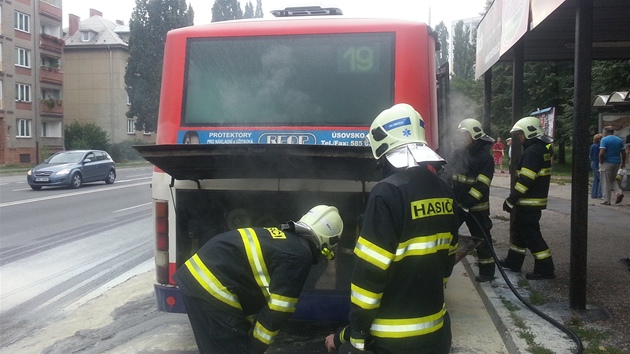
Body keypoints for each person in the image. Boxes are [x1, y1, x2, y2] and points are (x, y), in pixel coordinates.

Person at [325, 103, 459, 354]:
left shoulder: (387, 192)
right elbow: (447, 261)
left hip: (391, 340)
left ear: (383, 146)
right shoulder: (444, 190)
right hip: (437, 334)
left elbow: (369, 274)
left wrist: (355, 336)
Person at [174, 205, 343, 354]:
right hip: (212, 285)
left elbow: (249, 285)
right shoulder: (300, 255)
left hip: (197, 277)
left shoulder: (284, 239)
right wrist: (255, 346)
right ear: (329, 240)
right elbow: (278, 309)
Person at [499, 117, 555, 280]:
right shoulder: (541, 149)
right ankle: (513, 262)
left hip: (528, 202)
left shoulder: (532, 152)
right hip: (530, 202)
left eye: (521, 134)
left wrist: (511, 199)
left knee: (532, 236)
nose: (520, 138)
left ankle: (546, 269)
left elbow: (525, 180)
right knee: (519, 233)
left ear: (530, 132)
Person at [445, 118, 496, 282]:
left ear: (474, 135)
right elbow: (447, 174)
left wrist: (466, 204)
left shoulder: (485, 158)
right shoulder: (457, 153)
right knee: (447, 235)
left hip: (477, 208)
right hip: (458, 205)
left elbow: (482, 185)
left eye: (464, 134)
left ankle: (487, 272)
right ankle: (442, 266)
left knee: (482, 240)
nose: (461, 138)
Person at [599, 126, 626, 205]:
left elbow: (602, 152)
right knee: (613, 179)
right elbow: (623, 153)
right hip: (617, 162)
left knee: (605, 181)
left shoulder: (604, 140)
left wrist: (601, 160)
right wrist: (623, 162)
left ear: (605, 132)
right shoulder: (619, 140)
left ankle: (607, 200)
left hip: (607, 162)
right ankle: (618, 192)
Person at [590, 134, 603, 199]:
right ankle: (599, 194)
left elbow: (591, 156)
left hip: (593, 163)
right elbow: (596, 157)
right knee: (601, 179)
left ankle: (594, 194)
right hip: (596, 163)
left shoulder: (593, 146)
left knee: (596, 179)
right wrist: (599, 165)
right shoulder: (597, 146)